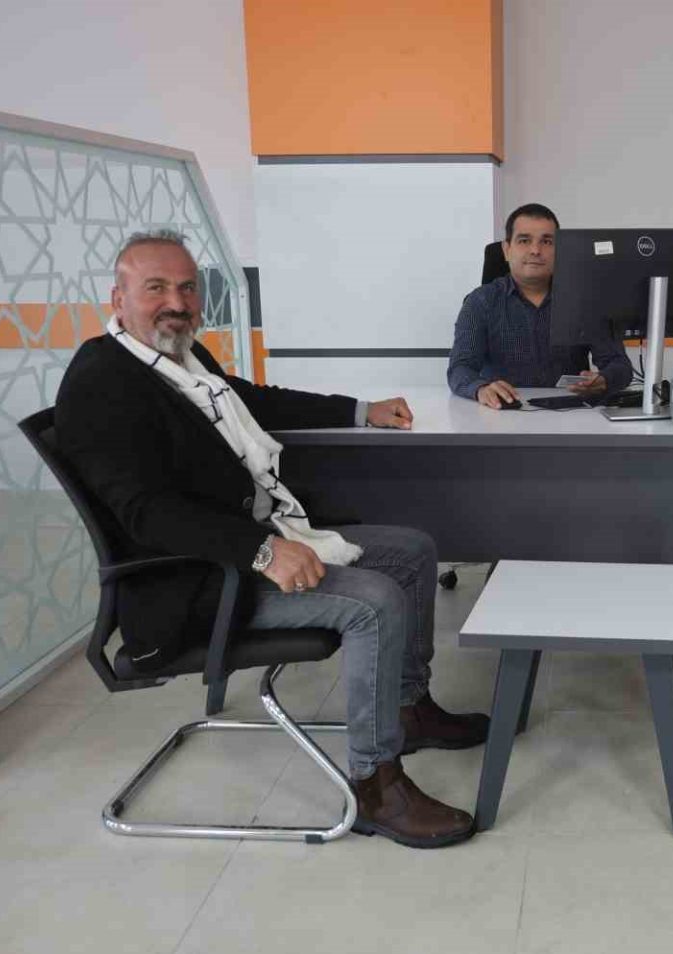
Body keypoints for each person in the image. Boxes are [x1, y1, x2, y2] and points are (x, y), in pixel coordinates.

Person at [55, 230, 487, 849]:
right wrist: (260, 550)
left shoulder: (180, 361)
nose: (176, 302)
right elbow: (145, 512)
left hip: (252, 540)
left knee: (413, 551)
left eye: (187, 288)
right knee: (375, 601)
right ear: (117, 299)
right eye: (156, 288)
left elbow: (251, 401)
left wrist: (359, 410)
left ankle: (407, 708)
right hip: (196, 581)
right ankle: (376, 784)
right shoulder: (103, 381)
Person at [447, 203, 635, 409]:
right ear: (507, 250)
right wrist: (481, 389)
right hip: (503, 413)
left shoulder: (585, 301)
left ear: (560, 250)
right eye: (524, 240)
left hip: (569, 414)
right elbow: (460, 368)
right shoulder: (480, 302)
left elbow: (620, 366)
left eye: (546, 241)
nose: (536, 250)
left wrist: (604, 380)